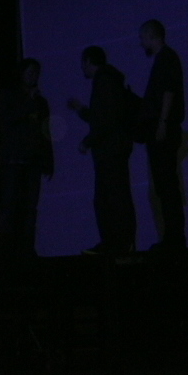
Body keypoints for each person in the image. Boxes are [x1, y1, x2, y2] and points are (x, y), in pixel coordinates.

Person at [67, 46, 136, 253]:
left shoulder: (103, 81)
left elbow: (104, 120)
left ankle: (115, 244)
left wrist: (87, 141)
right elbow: (105, 116)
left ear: (88, 61)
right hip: (115, 148)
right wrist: (81, 110)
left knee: (109, 200)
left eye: (83, 62)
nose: (82, 67)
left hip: (109, 150)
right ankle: (122, 243)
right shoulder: (111, 80)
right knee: (114, 197)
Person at [0, 58, 54, 269]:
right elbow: (7, 120)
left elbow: (45, 132)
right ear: (21, 74)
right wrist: (29, 102)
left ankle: (27, 251)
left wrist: (49, 160)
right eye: (30, 72)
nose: (33, 76)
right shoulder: (9, 96)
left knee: (30, 209)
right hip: (13, 160)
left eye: (36, 73)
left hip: (33, 161)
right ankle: (3, 253)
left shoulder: (41, 102)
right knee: (9, 206)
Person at [138, 19, 186, 250]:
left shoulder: (166, 58)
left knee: (166, 186)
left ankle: (174, 238)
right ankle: (173, 237)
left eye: (142, 37)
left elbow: (168, 92)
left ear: (151, 35)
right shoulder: (165, 58)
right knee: (166, 185)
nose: (141, 42)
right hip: (164, 128)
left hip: (164, 130)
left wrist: (162, 123)